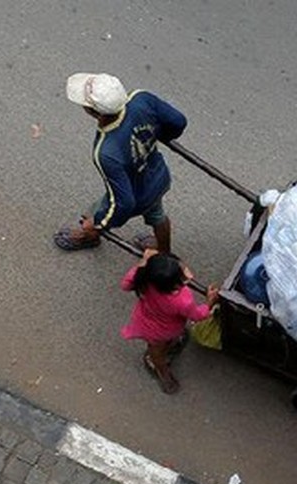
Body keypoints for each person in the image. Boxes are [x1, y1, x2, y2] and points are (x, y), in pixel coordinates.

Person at [57, 73, 187, 254]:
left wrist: (97, 224)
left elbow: (124, 203)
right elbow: (178, 121)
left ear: (93, 111)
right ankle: (164, 251)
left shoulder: (106, 152)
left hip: (136, 191)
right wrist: (156, 134)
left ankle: (90, 236)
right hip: (158, 176)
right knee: (157, 215)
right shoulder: (141, 99)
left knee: (94, 212)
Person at [120, 249, 218, 394]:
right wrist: (209, 302)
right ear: (174, 285)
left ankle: (163, 361)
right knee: (157, 352)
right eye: (182, 274)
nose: (187, 273)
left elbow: (125, 284)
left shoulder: (145, 279)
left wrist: (143, 262)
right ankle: (162, 371)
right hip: (166, 330)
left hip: (146, 323)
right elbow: (198, 316)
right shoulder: (182, 299)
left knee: (157, 346)